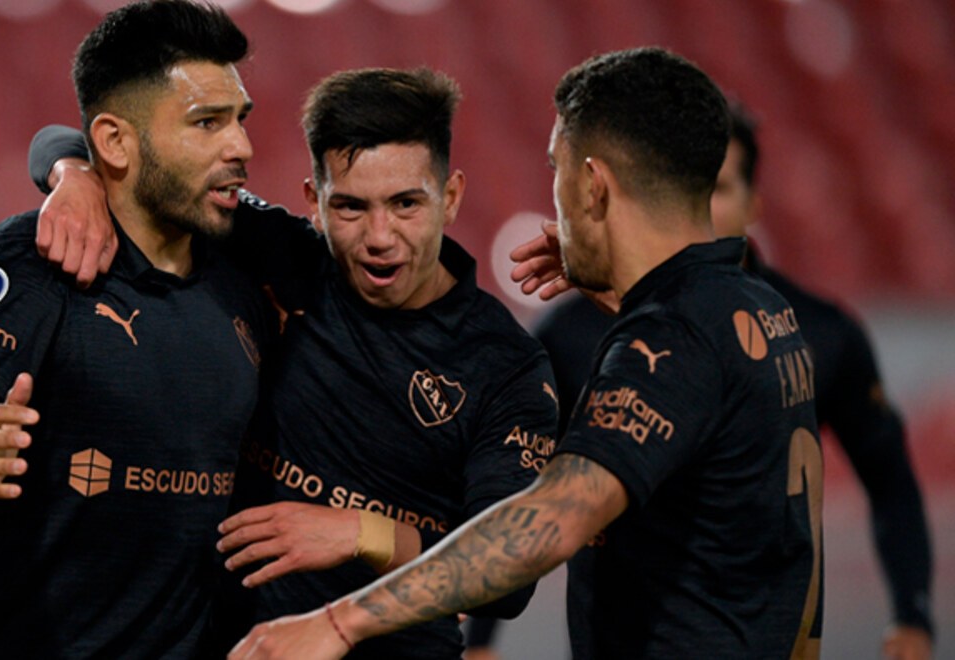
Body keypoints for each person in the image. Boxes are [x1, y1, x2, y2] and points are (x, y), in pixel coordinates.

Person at [227, 46, 825, 660]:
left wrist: (339, 622)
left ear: (592, 185)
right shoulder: (757, 310)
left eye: (555, 168)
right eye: (353, 206)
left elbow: (551, 521)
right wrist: (618, 273)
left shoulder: (669, 336)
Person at [28, 67, 557, 658]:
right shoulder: (288, 257)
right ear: (314, 203)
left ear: (451, 197)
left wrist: (360, 533)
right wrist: (74, 176)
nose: (380, 236)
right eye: (350, 207)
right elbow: (64, 141)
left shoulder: (506, 366)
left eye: (406, 203)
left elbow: (509, 573)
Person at [466, 100, 937, 660]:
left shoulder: (824, 333)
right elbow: (522, 477)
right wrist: (482, 639)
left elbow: (890, 481)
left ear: (754, 203)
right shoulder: (570, 333)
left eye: (718, 187)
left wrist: (913, 615)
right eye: (686, 187)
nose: (700, 206)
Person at [0, 2, 276, 657]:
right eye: (207, 122)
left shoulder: (248, 277)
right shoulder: (28, 266)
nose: (240, 146)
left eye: (239, 119)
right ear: (114, 141)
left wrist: (66, 163)